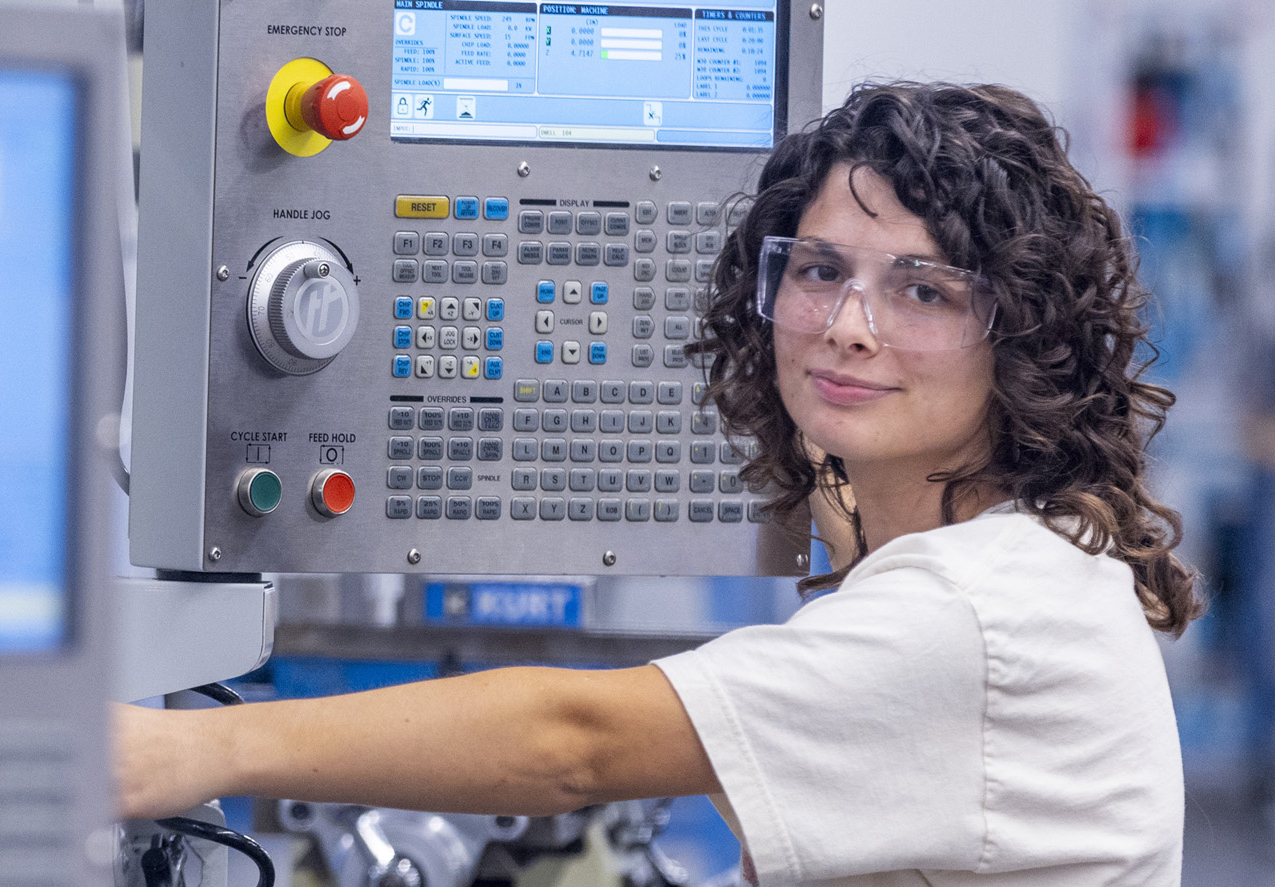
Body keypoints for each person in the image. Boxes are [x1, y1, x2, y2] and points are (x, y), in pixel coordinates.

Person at [115, 81, 1200, 886]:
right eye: (818, 271)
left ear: (1023, 332)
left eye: (921, 291)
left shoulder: (965, 613)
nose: (847, 329)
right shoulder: (1022, 545)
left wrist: (187, 748)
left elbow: (573, 737)